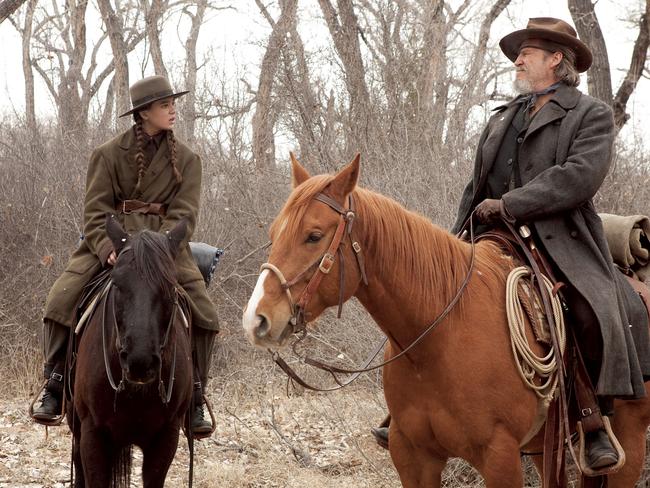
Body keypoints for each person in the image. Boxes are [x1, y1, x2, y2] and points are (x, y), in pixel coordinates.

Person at [372, 17, 650, 471]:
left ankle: (592, 420)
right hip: (490, 236)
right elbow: (476, 184)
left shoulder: (590, 114)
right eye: (518, 53)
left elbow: (578, 177)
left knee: (583, 307)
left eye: (527, 52)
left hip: (561, 238)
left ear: (556, 58)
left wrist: (512, 204)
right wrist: (455, 236)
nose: (517, 60)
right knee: (429, 302)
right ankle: (408, 413)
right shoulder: (503, 117)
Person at [32, 75, 220, 436]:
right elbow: (95, 211)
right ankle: (54, 383)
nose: (172, 109)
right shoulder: (106, 154)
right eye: (164, 105)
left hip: (165, 247)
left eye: (172, 103)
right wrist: (108, 248)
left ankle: (196, 394)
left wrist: (163, 250)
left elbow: (185, 214)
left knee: (205, 312)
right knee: (60, 298)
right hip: (112, 241)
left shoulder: (190, 160)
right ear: (144, 113)